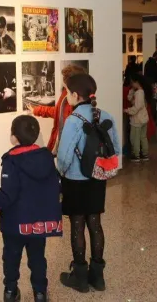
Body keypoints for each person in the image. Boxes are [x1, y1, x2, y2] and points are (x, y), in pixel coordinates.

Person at [0, 115, 60, 302]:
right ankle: (40, 293)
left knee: (11, 258)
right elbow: (55, 186)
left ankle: (10, 291)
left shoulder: (11, 160)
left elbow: (7, 195)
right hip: (39, 223)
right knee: (38, 258)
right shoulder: (46, 157)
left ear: (14, 137)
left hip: (15, 223)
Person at [57, 73, 120, 294]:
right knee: (95, 223)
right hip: (97, 179)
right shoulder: (107, 116)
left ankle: (80, 278)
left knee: (77, 225)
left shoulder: (74, 120)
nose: (66, 96)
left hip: (75, 180)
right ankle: (98, 277)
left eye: (67, 92)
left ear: (75, 95)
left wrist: (61, 175)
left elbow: (64, 158)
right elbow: (117, 151)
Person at [28, 64, 87, 154]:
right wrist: (36, 110)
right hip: (59, 143)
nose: (63, 81)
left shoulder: (77, 105)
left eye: (65, 79)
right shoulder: (65, 94)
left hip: (67, 150)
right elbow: (58, 112)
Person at [125, 73, 150, 162]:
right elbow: (130, 99)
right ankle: (145, 154)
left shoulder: (139, 93)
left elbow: (137, 107)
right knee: (143, 137)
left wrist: (127, 110)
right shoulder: (141, 91)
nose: (131, 84)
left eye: (132, 82)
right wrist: (132, 90)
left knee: (134, 137)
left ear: (136, 82)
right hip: (143, 118)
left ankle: (136, 155)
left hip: (137, 119)